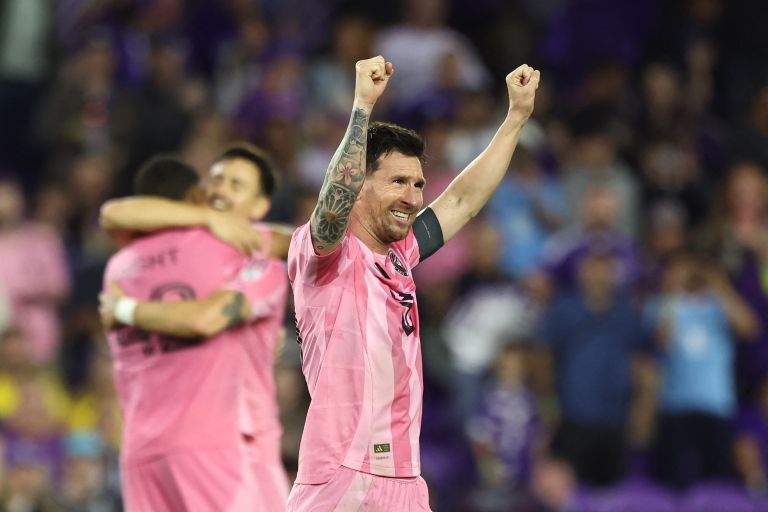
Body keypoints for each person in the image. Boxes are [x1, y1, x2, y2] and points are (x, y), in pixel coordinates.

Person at [286, 55, 539, 510]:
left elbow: (461, 200)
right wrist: (362, 108)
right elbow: (332, 204)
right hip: (343, 474)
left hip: (405, 479)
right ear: (360, 186)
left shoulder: (401, 255)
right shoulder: (324, 253)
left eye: (418, 184)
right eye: (398, 182)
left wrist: (516, 118)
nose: (413, 197)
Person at [100, 156, 288, 511]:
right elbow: (305, 242)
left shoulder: (118, 266)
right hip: (215, 446)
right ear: (198, 195)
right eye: (216, 181)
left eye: (236, 185)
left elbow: (112, 214)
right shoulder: (231, 250)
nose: (220, 191)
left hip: (140, 452)